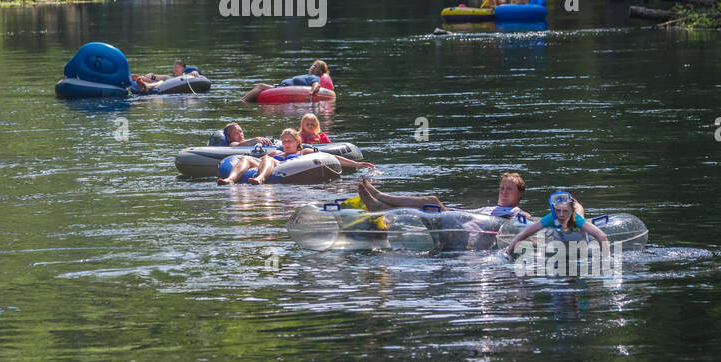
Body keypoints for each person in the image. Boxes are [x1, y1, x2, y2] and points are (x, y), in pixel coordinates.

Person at [218, 129, 373, 185]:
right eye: (284, 141)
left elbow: (331, 157)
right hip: (268, 166)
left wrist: (356, 164)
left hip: (285, 170)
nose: (285, 144)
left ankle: (261, 179)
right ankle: (230, 180)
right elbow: (256, 162)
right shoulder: (276, 153)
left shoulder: (304, 152)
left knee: (268, 159)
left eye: (289, 141)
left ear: (297, 142)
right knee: (246, 158)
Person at [353, 172, 534, 217]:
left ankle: (379, 195)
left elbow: (526, 218)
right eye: (502, 188)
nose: (503, 192)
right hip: (459, 219)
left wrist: (523, 215)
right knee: (426, 209)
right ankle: (379, 206)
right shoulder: (493, 208)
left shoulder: (515, 212)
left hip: (460, 228)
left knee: (432, 201)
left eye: (509, 189)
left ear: (519, 195)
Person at [501, 191, 606, 256]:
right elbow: (525, 234)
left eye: (565, 211)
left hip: (575, 226)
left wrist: (607, 256)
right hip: (557, 235)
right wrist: (507, 252)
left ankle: (576, 204)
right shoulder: (551, 218)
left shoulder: (577, 219)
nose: (561, 215)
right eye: (558, 211)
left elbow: (601, 236)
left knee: (579, 215)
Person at [241, 59, 335, 103]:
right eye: (313, 65)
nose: (312, 67)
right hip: (280, 87)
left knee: (260, 86)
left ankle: (242, 102)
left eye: (316, 66)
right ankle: (244, 101)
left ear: (320, 71)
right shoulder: (308, 76)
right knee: (260, 87)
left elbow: (317, 85)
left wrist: (311, 93)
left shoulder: (314, 77)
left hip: (283, 88)